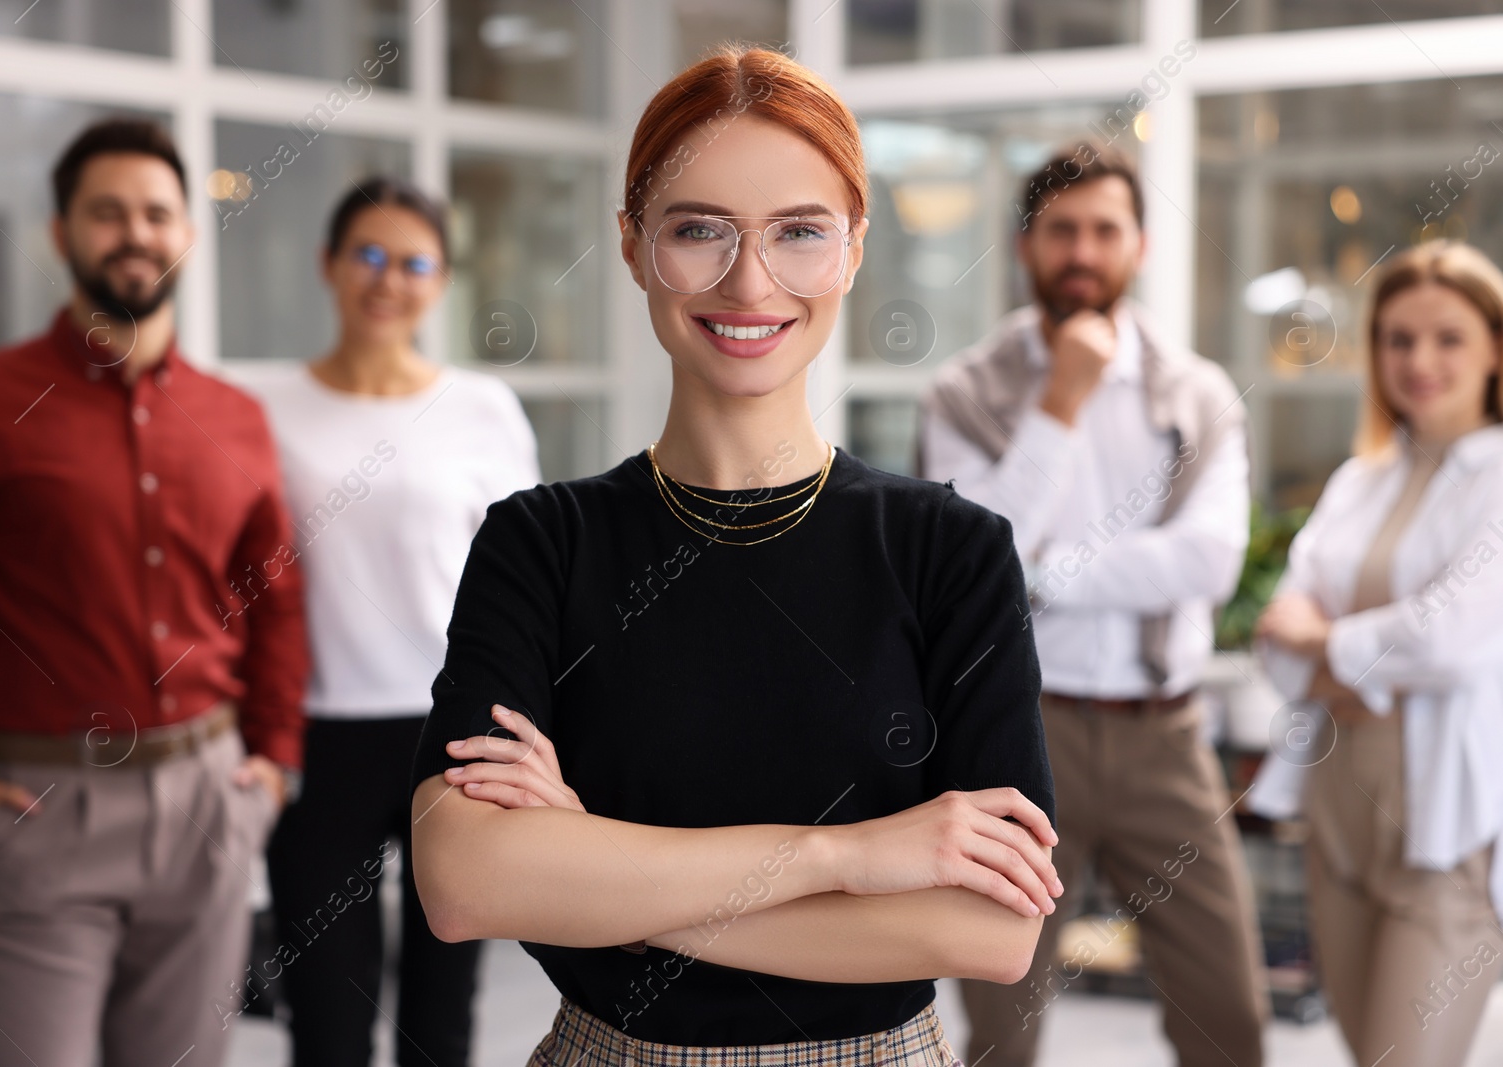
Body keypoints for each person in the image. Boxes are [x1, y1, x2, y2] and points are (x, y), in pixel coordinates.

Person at [408, 45, 1062, 1066]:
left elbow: (991, 929)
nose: (748, 280)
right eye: (698, 229)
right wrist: (842, 856)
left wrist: (595, 876)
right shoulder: (540, 542)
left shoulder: (952, 552)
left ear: (852, 247)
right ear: (632, 246)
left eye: (798, 232)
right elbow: (462, 881)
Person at [0, 117, 306, 1066]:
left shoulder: (235, 417)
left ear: (189, 234)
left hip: (210, 805)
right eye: (108, 212)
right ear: (60, 232)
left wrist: (277, 759)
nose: (136, 232)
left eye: (158, 212)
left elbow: (275, 596)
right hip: (43, 817)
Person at [918, 142, 1269, 1067]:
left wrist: (1046, 572)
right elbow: (972, 560)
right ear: (1026, 243)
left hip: (1167, 738)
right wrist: (1060, 402)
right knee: (1002, 1022)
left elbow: (1209, 561)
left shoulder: (1196, 394)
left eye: (1104, 230)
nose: (1084, 250)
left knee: (1229, 1016)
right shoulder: (964, 391)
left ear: (1140, 245)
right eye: (1061, 229)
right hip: (1020, 733)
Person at [251, 176, 539, 1067]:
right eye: (367, 255)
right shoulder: (261, 407)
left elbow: (521, 585)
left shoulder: (482, 408)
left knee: (440, 1018)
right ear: (328, 266)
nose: (387, 279)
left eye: (414, 262)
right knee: (327, 1017)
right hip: (317, 736)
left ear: (441, 281)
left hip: (452, 737)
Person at [1251, 240, 1503, 1067]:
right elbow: (1276, 627)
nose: (1418, 360)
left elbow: (1455, 640)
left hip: (1445, 832)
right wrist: (1368, 664)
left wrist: (1331, 651)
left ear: (1495, 345)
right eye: (1397, 338)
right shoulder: (1360, 479)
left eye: (1448, 337)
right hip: (1337, 815)